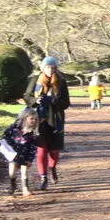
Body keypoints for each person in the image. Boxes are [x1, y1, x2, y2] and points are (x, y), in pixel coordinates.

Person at [32, 56, 71, 190]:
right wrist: (34, 101)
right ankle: (43, 177)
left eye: (53, 68)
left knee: (53, 151)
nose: (50, 70)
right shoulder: (34, 80)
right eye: (48, 67)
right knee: (41, 150)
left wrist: (53, 101)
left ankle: (52, 168)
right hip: (39, 119)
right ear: (43, 68)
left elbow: (66, 103)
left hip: (56, 120)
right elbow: (26, 96)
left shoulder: (61, 82)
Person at [0, 109, 40, 196]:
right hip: (13, 155)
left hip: (25, 155)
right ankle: (12, 185)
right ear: (24, 118)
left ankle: (25, 189)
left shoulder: (33, 134)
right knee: (12, 172)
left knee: (24, 172)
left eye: (35, 119)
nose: (34, 121)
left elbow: (33, 148)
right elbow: (5, 135)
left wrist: (30, 159)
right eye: (31, 118)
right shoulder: (14, 128)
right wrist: (9, 144)